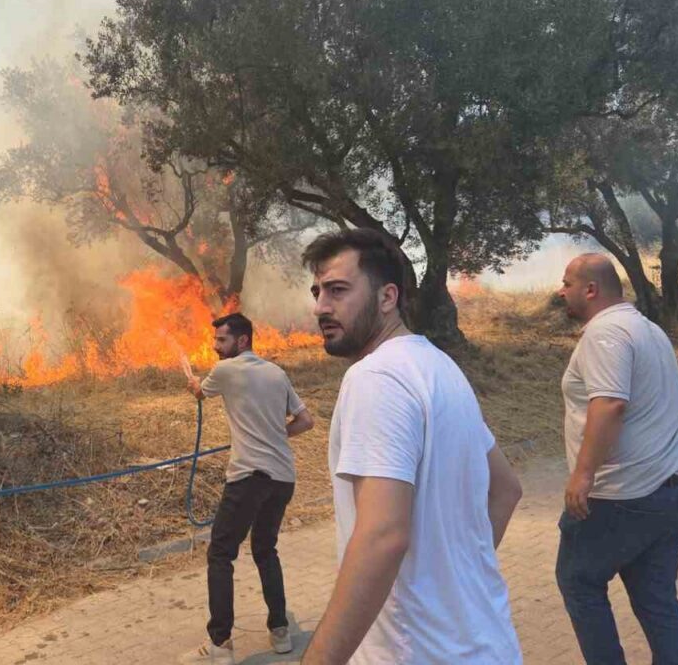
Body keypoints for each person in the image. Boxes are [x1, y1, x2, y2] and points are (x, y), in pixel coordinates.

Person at [298, 228, 524, 665]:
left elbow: (382, 536)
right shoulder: (439, 367)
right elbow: (507, 489)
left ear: (387, 297)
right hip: (486, 646)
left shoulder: (375, 378)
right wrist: (447, 583)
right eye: (317, 291)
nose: (321, 306)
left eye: (338, 290)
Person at [555, 254, 678, 664]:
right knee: (658, 604)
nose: (561, 291)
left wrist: (583, 475)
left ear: (591, 289)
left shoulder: (605, 333)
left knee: (578, 581)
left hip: (621, 498)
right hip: (671, 492)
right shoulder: (649, 330)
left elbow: (610, 403)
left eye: (567, 283)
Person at [179, 312, 316, 664]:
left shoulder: (226, 371)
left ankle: (221, 645)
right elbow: (306, 421)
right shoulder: (276, 372)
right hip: (283, 477)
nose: (215, 347)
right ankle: (281, 632)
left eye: (221, 340)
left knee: (221, 554)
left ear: (241, 341)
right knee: (265, 549)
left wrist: (188, 375)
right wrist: (276, 436)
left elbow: (199, 393)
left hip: (249, 477)